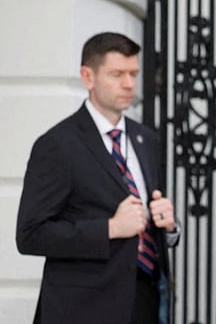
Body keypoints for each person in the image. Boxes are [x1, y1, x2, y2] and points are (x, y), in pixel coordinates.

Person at [16, 32, 180, 324]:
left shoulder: (146, 139)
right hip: (83, 309)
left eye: (134, 74)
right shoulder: (57, 145)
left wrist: (168, 225)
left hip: (146, 303)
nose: (129, 84)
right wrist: (109, 228)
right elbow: (30, 236)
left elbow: (147, 220)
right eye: (117, 74)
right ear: (87, 77)